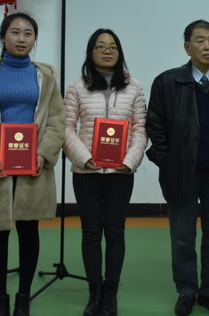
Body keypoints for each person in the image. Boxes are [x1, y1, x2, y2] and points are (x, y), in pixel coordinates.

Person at [0, 12, 66, 316]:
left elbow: (57, 121)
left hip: (33, 165)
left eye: (28, 33)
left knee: (29, 230)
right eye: (15, 32)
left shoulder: (46, 77)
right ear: (3, 37)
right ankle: (1, 299)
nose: (22, 39)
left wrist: (43, 153)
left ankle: (23, 298)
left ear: (34, 39)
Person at [145, 20, 209, 316]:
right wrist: (166, 160)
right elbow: (155, 125)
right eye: (200, 41)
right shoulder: (167, 82)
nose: (207, 46)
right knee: (182, 236)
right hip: (181, 174)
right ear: (187, 47)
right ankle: (187, 290)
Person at [63, 28, 148, 316]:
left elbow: (140, 129)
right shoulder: (77, 86)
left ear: (119, 52)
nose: (107, 51)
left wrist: (130, 160)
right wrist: (84, 158)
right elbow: (66, 127)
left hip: (120, 173)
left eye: (112, 46)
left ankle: (110, 292)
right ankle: (94, 291)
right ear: (91, 52)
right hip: (86, 172)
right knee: (90, 231)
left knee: (114, 231)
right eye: (101, 46)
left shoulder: (134, 87)